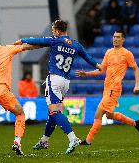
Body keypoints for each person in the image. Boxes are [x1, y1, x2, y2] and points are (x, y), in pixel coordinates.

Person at [14, 20, 102, 154]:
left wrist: (23, 40)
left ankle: (73, 138)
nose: (53, 32)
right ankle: (44, 140)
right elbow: (88, 57)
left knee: (54, 112)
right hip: (65, 82)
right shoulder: (76, 45)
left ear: (58, 31)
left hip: (54, 79)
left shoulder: (55, 40)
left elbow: (38, 40)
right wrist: (97, 65)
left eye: (54, 30)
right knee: (53, 113)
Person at [75, 30, 139, 145]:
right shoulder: (109, 52)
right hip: (107, 88)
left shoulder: (127, 54)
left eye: (118, 37)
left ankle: (88, 140)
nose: (115, 39)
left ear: (123, 39)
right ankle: (136, 123)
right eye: (114, 37)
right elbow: (101, 70)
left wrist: (137, 85)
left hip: (115, 88)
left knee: (98, 114)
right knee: (109, 115)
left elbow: (136, 68)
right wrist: (86, 73)